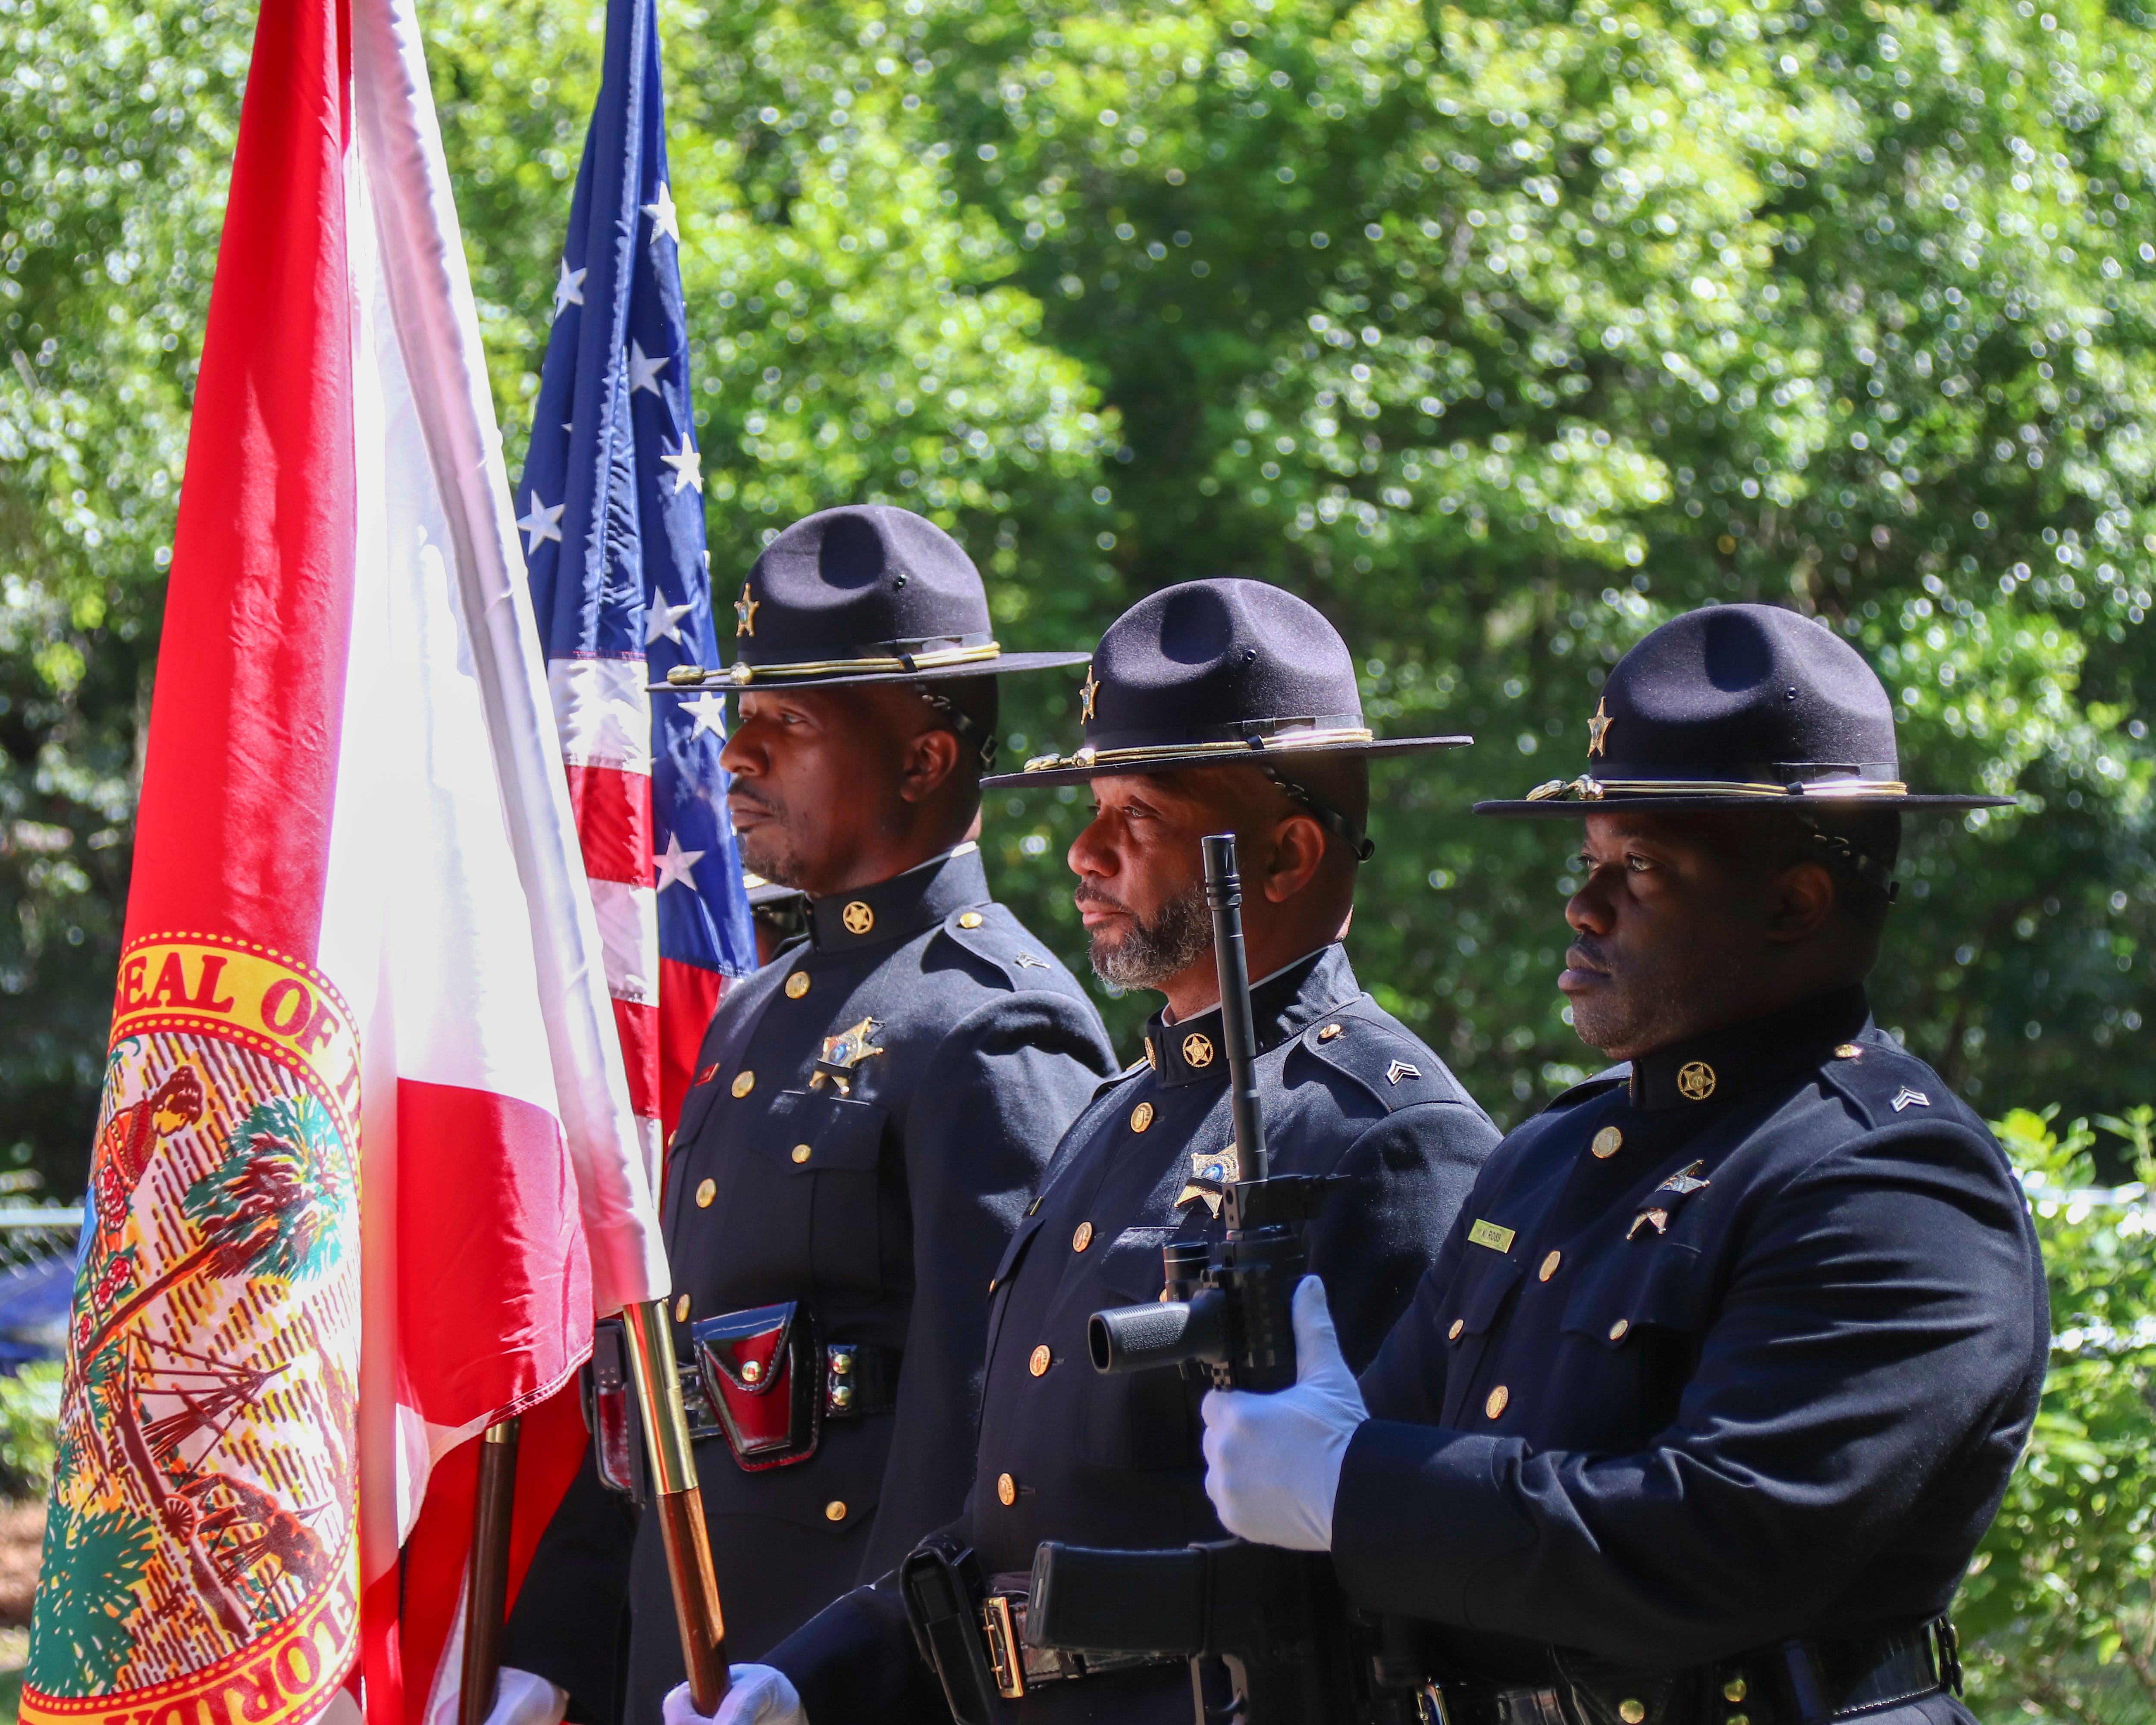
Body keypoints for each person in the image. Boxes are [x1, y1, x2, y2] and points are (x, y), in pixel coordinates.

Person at [1200, 604, 2049, 1725]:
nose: (1581, 904)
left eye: (1639, 866)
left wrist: (1355, 1489)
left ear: (1794, 901)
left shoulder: (1891, 1181)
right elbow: (1389, 1450)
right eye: (1589, 857)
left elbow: (1715, 1538)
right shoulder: (1551, 1160)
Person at [689, 577, 1507, 1725]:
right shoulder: (1118, 1116)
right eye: (1093, 807)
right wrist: (812, 1676)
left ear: (1285, 856)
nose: (1083, 852)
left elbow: (1413, 1590)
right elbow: (992, 1527)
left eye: (1142, 821)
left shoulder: (1387, 1136)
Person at [498, 504, 1120, 1725]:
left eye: (787, 724)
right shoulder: (752, 1015)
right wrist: (554, 1647)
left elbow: (980, 1445)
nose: (735, 756)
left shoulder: (994, 1027)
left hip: (847, 1685)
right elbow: (662, 1391)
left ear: (926, 761)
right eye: (743, 718)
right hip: (688, 1674)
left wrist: (836, 1679)